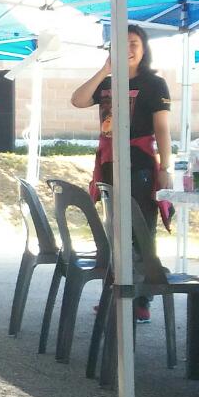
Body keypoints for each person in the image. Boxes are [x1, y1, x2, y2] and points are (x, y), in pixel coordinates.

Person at [70, 24, 172, 322]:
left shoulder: (154, 84)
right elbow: (77, 100)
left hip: (140, 165)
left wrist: (165, 167)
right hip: (109, 164)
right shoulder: (107, 83)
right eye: (121, 43)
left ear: (144, 48)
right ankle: (116, 295)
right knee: (114, 232)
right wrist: (105, 70)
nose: (128, 48)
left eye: (134, 43)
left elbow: (162, 128)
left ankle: (140, 299)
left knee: (141, 231)